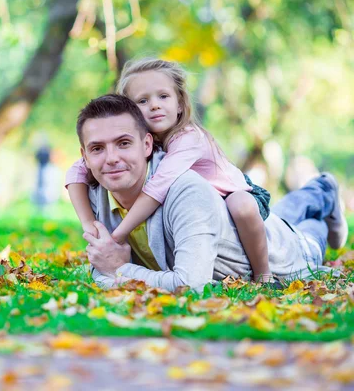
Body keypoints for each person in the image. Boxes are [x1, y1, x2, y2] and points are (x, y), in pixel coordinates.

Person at [73, 94, 348, 292]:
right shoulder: (97, 193)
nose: (110, 158)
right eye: (97, 148)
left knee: (310, 232)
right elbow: (99, 269)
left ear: (147, 145)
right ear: (85, 156)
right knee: (283, 214)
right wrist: (112, 269)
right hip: (251, 223)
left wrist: (120, 271)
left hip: (287, 251)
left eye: (123, 143)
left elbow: (190, 285)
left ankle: (323, 189)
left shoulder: (186, 191)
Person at [67, 58, 273, 283]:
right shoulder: (145, 140)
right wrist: (90, 227)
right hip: (204, 200)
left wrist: (116, 237)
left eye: (163, 97)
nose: (154, 105)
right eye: (143, 101)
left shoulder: (188, 138)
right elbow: (76, 171)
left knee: (241, 206)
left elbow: (157, 189)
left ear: (180, 104)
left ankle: (263, 274)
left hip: (233, 191)